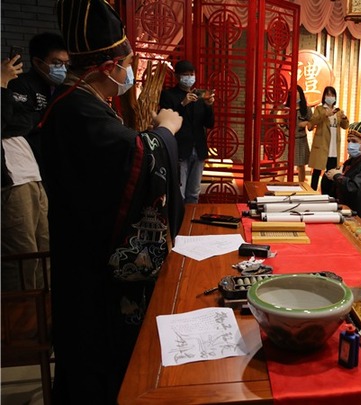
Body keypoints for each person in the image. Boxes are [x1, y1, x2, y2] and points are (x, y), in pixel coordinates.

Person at [42, 0, 184, 402]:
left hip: (87, 241)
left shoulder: (80, 101)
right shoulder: (77, 109)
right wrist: (166, 132)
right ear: (108, 67)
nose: (129, 72)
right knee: (96, 353)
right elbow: (135, 156)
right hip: (93, 257)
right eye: (128, 64)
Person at [1, 33, 68, 290]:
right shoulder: (16, 84)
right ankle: (23, 313)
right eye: (57, 63)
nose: (62, 69)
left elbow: (27, 121)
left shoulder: (56, 89)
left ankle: (45, 306)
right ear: (38, 62)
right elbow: (12, 122)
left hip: (33, 175)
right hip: (13, 179)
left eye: (66, 63)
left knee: (43, 247)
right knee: (22, 256)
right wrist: (2, 83)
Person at [159, 59, 215, 203]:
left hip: (199, 148)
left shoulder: (199, 96)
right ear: (177, 76)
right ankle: (179, 217)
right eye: (185, 74)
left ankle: (191, 216)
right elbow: (166, 120)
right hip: (180, 149)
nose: (189, 77)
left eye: (192, 74)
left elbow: (209, 124)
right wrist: (183, 104)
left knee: (194, 193)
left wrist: (209, 106)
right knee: (179, 192)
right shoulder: (168, 95)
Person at [325, 119, 361, 223]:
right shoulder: (356, 158)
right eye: (348, 141)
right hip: (348, 210)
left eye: (354, 141)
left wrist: (337, 176)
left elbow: (356, 189)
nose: (350, 145)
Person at [308, 86, 349, 193]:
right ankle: (312, 192)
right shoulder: (319, 109)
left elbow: (345, 126)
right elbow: (313, 122)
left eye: (332, 95)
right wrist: (325, 114)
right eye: (328, 95)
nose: (330, 97)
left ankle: (328, 193)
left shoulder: (338, 111)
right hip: (322, 144)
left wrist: (344, 118)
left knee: (331, 172)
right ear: (324, 96)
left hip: (333, 145)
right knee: (317, 171)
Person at [288, 85, 311, 182]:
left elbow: (311, 127)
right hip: (287, 140)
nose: (295, 96)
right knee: (285, 164)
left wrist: (307, 123)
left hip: (301, 139)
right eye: (292, 93)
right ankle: (282, 186)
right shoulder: (286, 109)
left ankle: (301, 185)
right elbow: (280, 126)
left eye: (297, 93)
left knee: (301, 165)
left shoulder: (306, 109)